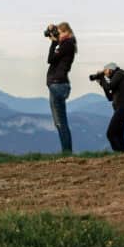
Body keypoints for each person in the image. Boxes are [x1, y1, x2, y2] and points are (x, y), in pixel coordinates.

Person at [46, 22, 76, 154]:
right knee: (59, 122)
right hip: (56, 84)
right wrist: (54, 38)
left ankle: (67, 152)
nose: (58, 35)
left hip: (58, 84)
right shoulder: (66, 44)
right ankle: (66, 152)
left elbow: (50, 59)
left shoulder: (68, 44)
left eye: (60, 32)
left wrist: (53, 43)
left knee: (61, 122)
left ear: (67, 32)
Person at [93, 62, 124, 152]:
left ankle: (118, 154)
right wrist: (101, 83)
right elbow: (110, 97)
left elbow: (109, 86)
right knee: (119, 135)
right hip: (123, 109)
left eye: (105, 71)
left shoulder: (119, 74)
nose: (105, 73)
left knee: (110, 134)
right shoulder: (118, 79)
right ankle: (123, 155)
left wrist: (102, 78)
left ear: (111, 69)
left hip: (123, 109)